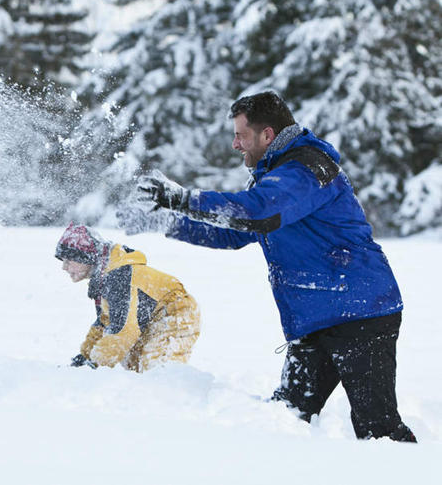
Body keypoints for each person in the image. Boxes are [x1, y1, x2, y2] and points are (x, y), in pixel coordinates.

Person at [117, 90, 415, 441]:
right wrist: (166, 223)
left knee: (378, 429)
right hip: (315, 319)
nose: (235, 144)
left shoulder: (307, 168)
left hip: (360, 313)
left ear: (267, 135)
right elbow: (235, 233)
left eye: (241, 135)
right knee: (285, 417)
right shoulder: (276, 176)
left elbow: (257, 211)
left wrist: (181, 199)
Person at [55, 223, 200, 372]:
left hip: (175, 310)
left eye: (68, 261)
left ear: (85, 256)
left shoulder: (118, 277)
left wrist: (94, 365)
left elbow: (123, 331)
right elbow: (105, 322)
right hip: (149, 317)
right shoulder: (103, 275)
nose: (64, 267)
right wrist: (86, 356)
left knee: (156, 369)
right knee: (133, 370)